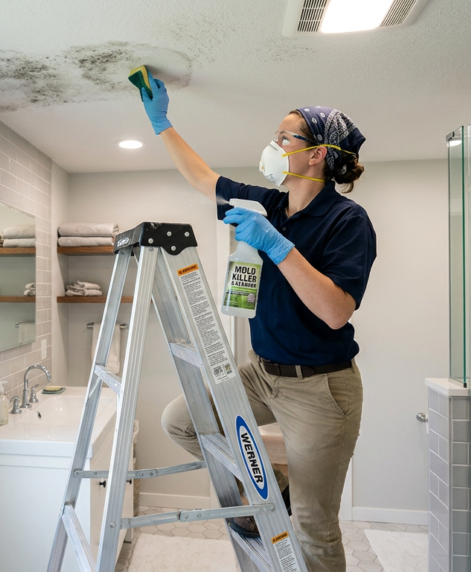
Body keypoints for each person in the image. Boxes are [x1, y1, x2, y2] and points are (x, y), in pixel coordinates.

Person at [139, 70, 376, 572]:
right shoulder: (268, 202)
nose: (273, 144)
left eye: (283, 137)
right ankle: (277, 487)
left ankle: (294, 500)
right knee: (181, 421)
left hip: (321, 390)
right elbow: (204, 178)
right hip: (262, 373)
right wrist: (162, 123)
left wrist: (277, 245)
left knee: (314, 526)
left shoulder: (347, 220)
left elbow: (335, 311)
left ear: (317, 154)